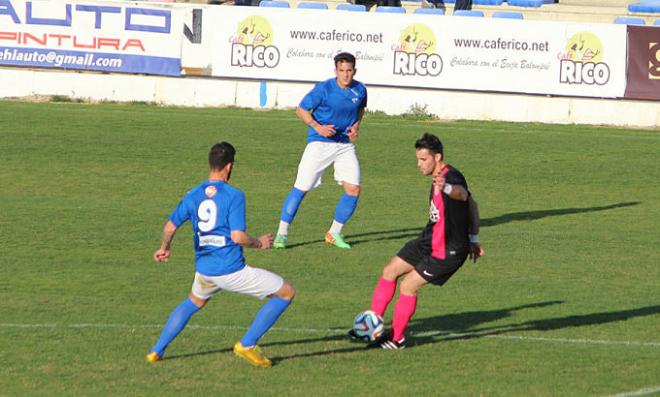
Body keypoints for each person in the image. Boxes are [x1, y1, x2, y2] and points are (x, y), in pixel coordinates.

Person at [146, 142, 295, 367]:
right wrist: (259, 243)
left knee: (193, 302)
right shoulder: (234, 195)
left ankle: (156, 351)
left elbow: (169, 227)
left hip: (205, 269)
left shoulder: (193, 194)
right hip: (231, 270)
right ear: (229, 166)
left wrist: (164, 247)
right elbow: (237, 237)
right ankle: (247, 345)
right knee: (286, 292)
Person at [357, 133, 483, 349]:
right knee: (389, 271)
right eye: (417, 159)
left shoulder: (451, 178)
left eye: (423, 159)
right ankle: (372, 326)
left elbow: (462, 196)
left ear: (438, 157)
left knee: (407, 286)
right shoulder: (439, 176)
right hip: (429, 240)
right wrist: (474, 238)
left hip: (448, 249)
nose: (419, 164)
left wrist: (446, 188)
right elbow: (473, 205)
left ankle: (397, 339)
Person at [274, 52, 367, 250]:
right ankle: (281, 234)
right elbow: (301, 109)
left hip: (344, 145)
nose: (345, 75)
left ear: (354, 70)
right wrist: (318, 127)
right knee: (302, 188)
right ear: (335, 71)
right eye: (341, 70)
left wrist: (356, 126)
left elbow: (360, 109)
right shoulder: (324, 89)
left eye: (349, 70)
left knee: (354, 189)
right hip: (319, 144)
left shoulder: (360, 90)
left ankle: (334, 233)